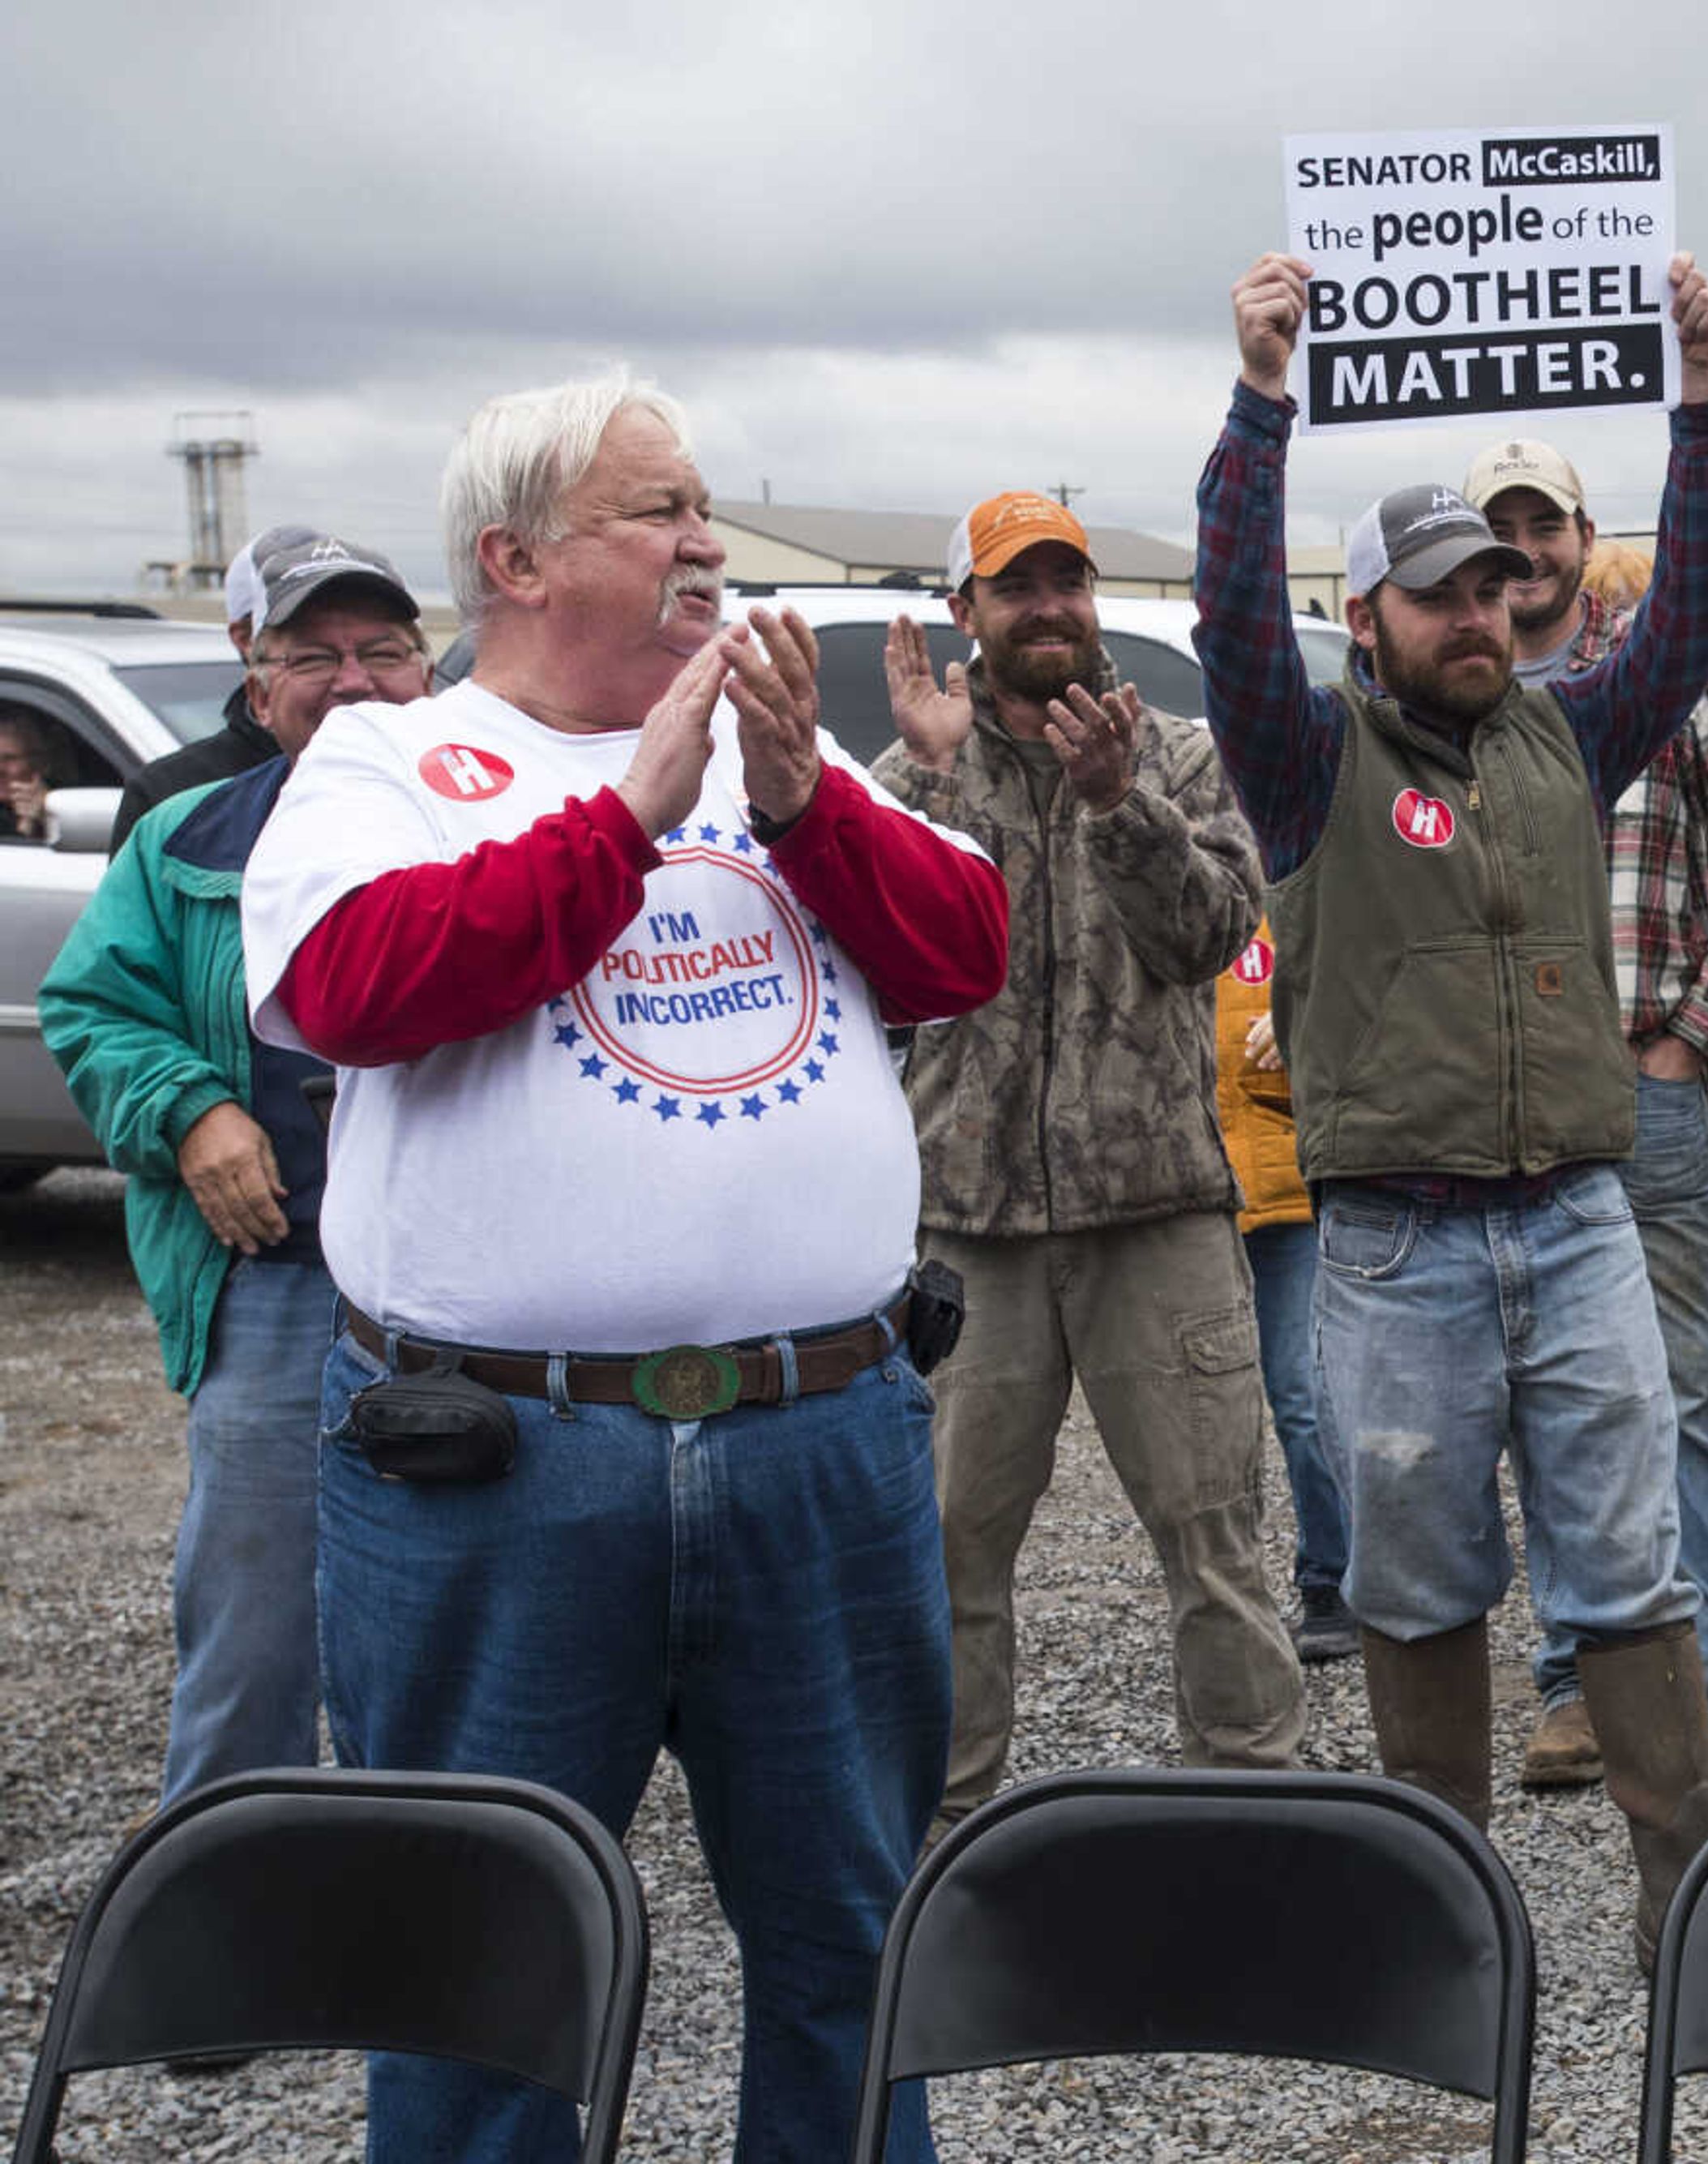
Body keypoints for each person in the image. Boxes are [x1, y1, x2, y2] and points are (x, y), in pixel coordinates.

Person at [239, 371, 1008, 2164]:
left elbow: (968, 945)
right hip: (496, 1466)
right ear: (513, 556)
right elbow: (362, 981)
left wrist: (805, 791)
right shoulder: (385, 759)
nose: (703, 543)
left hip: (819, 1442)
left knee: (855, 1951)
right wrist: (633, 812)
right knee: (478, 1968)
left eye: (701, 509)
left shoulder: (777, 759)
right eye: (656, 511)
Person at [1196, 247, 1708, 1960]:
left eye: (1499, 588)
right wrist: (1260, 399)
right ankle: (1448, 1915)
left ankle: (1683, 1887)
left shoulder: (1574, 735)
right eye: (1438, 591)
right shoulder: (1306, 757)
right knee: (1418, 1579)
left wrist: (1703, 397)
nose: (1478, 615)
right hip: (1394, 1241)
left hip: (1578, 1212)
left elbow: (1704, 591)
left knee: (1630, 1558)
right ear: (1368, 614)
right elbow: (1222, 607)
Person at [871, 491, 1302, 1832]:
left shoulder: (1172, 754)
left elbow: (1215, 931)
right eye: (1016, 586)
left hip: (1158, 1213)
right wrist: (935, 784)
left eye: (1068, 580)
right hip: (968, 1232)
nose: (1048, 605)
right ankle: (938, 1841)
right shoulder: (908, 778)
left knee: (1216, 1540)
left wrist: (1120, 804)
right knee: (945, 1555)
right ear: (966, 614)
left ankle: (1250, 1816)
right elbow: (883, 968)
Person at [1458, 441, 1708, 1803]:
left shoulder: (1666, 682)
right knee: (1538, 1402)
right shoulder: (1439, 694)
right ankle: (1571, 1686)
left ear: (1579, 533)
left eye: (1540, 524)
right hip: (1498, 1110)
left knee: (1681, 1397)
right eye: (1495, 532)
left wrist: (1690, 1036)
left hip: (1642, 1093)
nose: (1522, 552)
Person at [40, 530, 430, 1806]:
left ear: (433, 674)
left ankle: (438, 1902)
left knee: (452, 1634)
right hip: (280, 1287)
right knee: (251, 1638)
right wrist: (192, 1107)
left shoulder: (502, 821)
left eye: (383, 649)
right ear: (258, 688)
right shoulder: (187, 840)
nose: (352, 676)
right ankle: (224, 1922)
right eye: (312, 655)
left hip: (470, 1297)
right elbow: (92, 1007)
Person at [1211, 919, 1357, 1663]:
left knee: (1304, 1392)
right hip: (1186, 1202)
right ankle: (1215, 1605)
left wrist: (1305, 1020)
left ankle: (1333, 1581)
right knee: (1200, 1418)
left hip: (1287, 1192)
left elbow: (1364, 989)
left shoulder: (1291, 893)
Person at [113, 522, 321, 841]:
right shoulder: (171, 795)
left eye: (377, 648)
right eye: (298, 629)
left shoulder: (414, 760)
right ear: (244, 638)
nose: (350, 674)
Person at [0, 710, 57, 841]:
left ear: (39, 763)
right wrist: (25, 825)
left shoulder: (62, 804)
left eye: (10, 759)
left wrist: (47, 815)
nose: (0, 769)